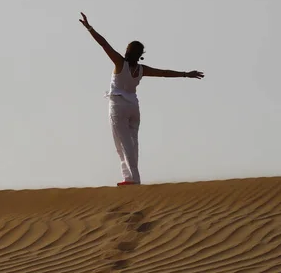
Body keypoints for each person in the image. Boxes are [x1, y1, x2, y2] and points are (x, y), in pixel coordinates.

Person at [79, 12, 204, 186]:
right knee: (132, 143)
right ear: (140, 54)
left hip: (118, 105)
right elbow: (164, 73)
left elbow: (104, 44)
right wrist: (185, 74)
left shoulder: (120, 63)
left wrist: (89, 27)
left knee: (122, 143)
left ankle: (133, 179)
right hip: (133, 107)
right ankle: (129, 178)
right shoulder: (141, 69)